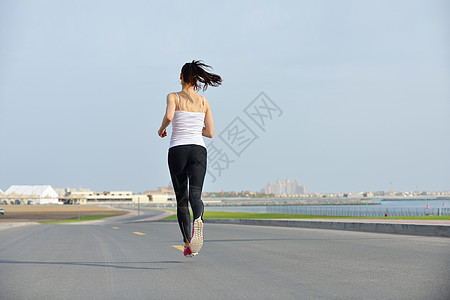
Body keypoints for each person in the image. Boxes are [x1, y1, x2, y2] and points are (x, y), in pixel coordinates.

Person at [158, 60, 222, 257]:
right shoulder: (204, 102)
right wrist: (195, 128)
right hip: (198, 150)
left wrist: (161, 129)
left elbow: (169, 116)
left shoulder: (173, 97)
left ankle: (187, 243)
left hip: (178, 150)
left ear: (180, 77)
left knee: (182, 199)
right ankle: (199, 219)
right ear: (196, 79)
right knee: (196, 196)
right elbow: (210, 132)